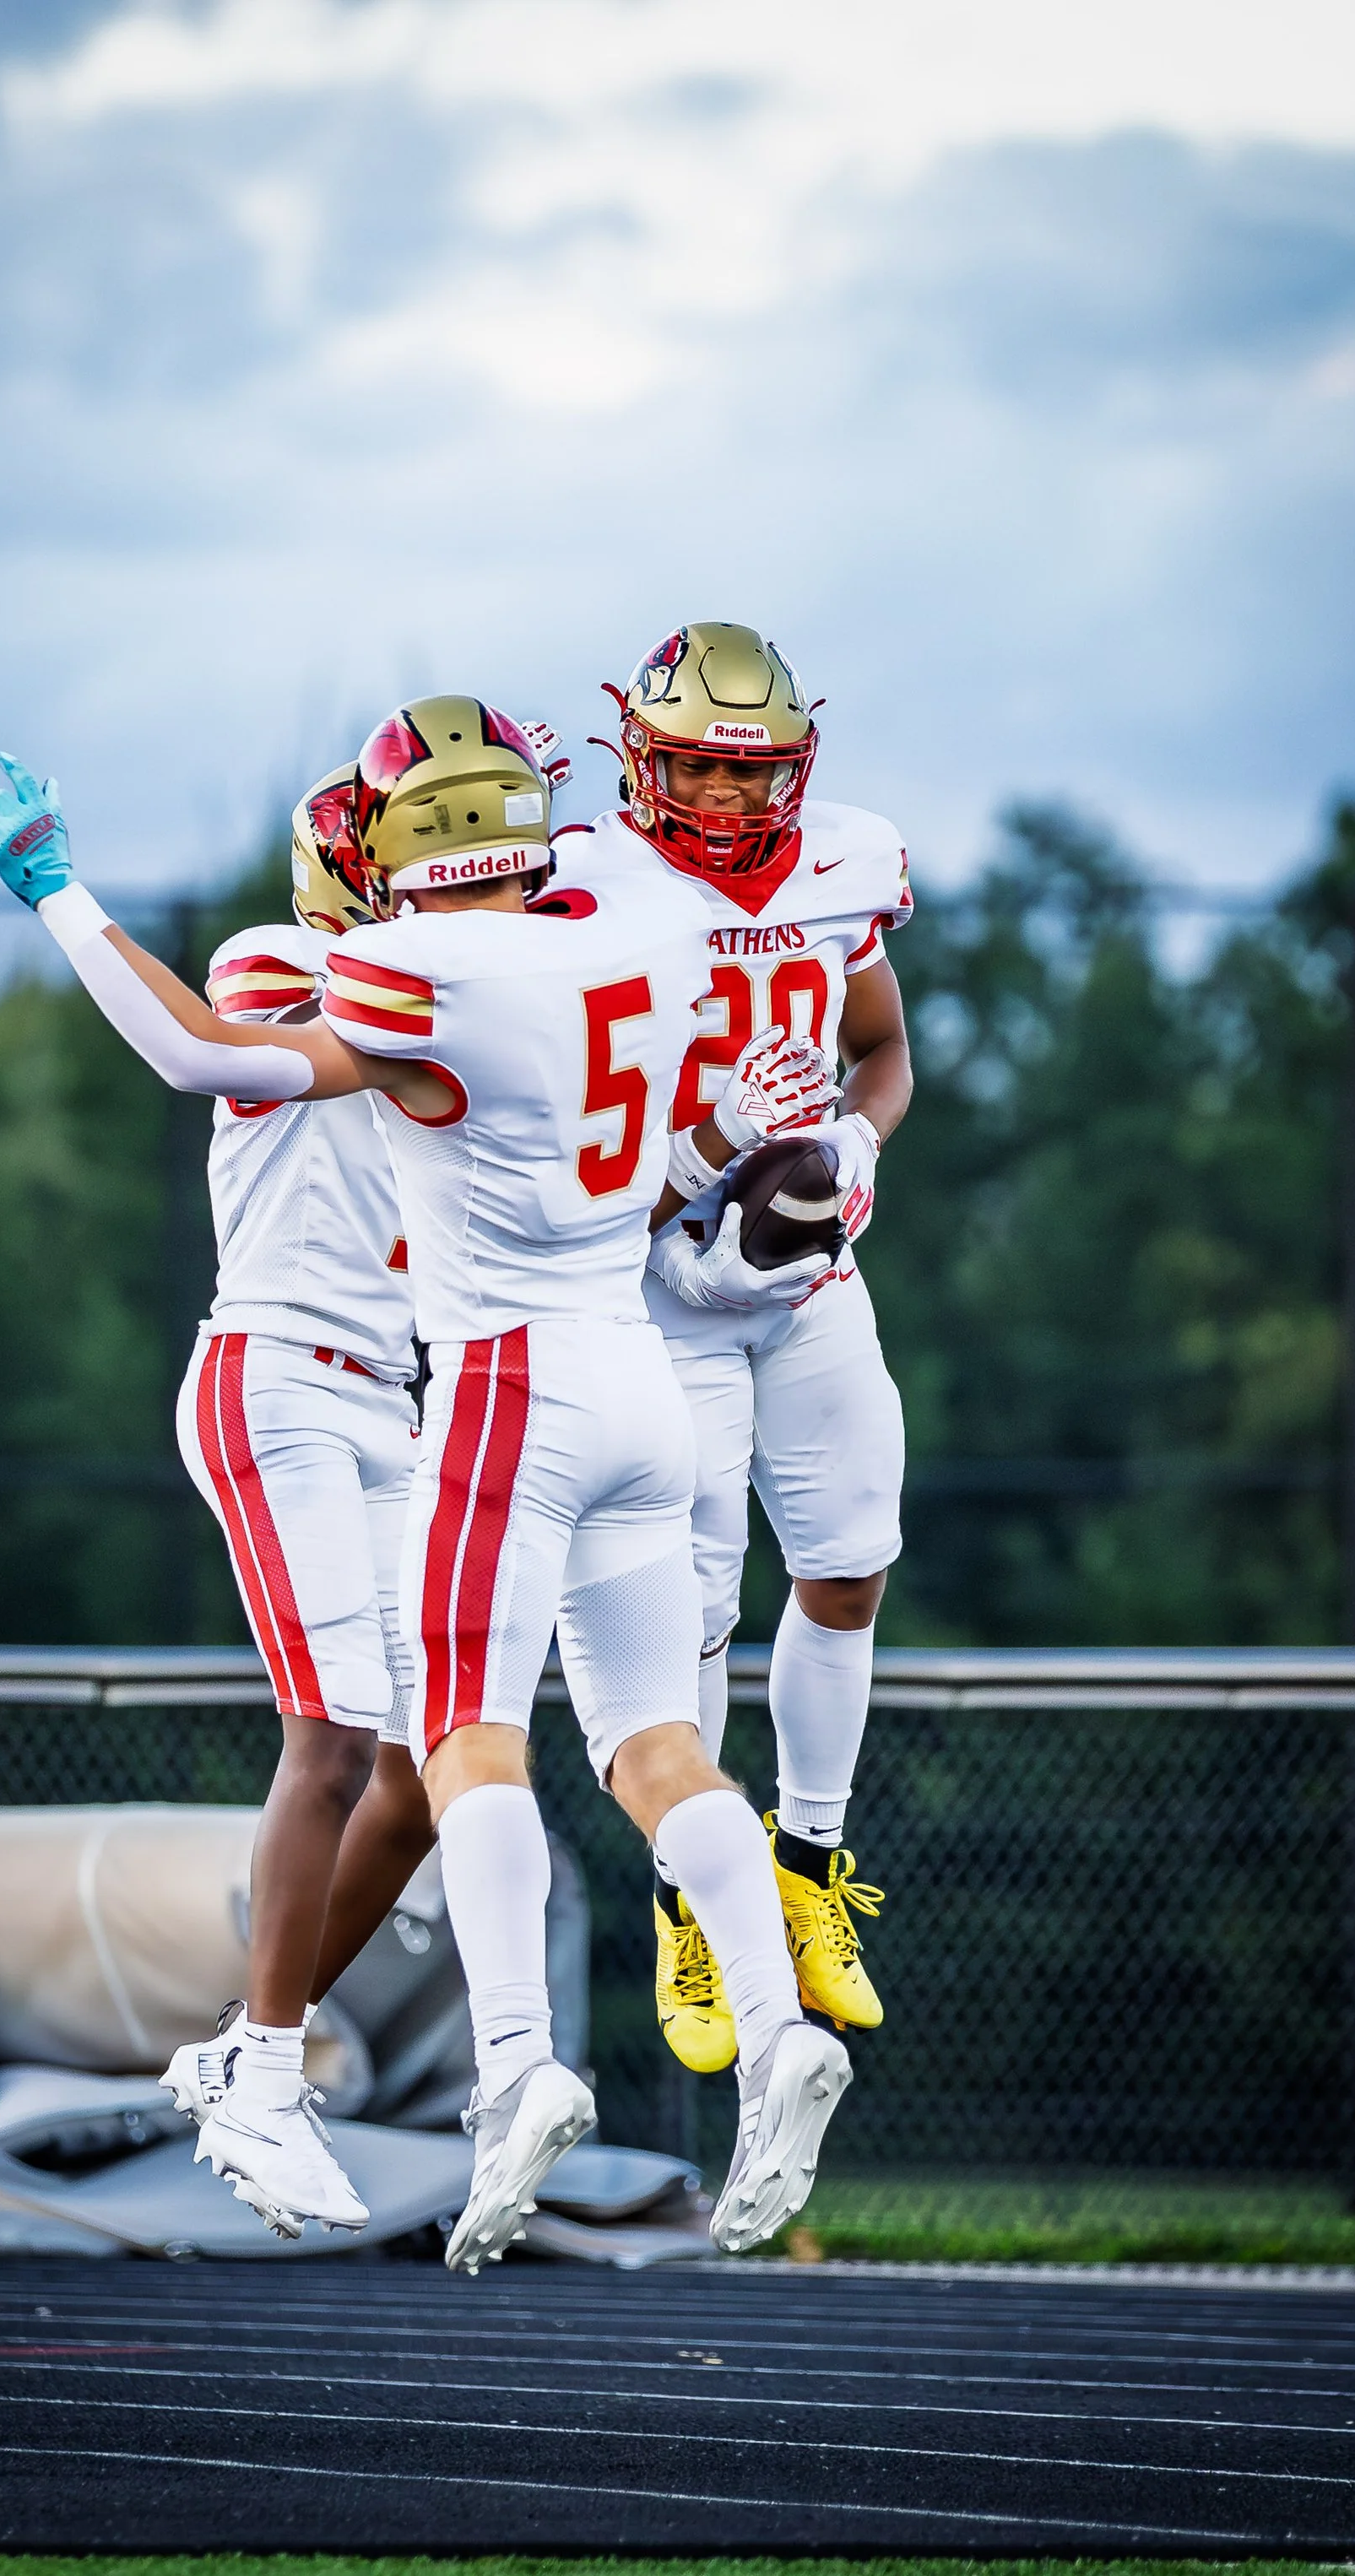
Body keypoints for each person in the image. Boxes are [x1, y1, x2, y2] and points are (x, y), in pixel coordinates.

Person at [0, 700, 851, 2272]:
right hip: (351, 1378)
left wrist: (60, 890)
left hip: (479, 1392)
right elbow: (632, 1113)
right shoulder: (603, 952)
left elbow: (213, 1044)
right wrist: (750, 1132)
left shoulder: (429, 970)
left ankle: (425, 2060)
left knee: (432, 1754)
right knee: (413, 1741)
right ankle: (268, 2067)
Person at [0, 758, 435, 2240]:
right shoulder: (290, 962)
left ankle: (252, 2043)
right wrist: (62, 894)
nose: (493, 877)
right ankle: (273, 2077)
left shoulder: (487, 995)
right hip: (279, 1375)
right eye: (462, 846)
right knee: (338, 1732)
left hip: (395, 1399)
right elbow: (200, 1053)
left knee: (434, 1775)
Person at [553, 622, 913, 2067]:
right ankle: (690, 1903)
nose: (719, 800)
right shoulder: (584, 887)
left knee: (849, 1566)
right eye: (695, 768)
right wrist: (713, 1140)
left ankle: (807, 1866)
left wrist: (857, 1143)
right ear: (642, 757)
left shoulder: (846, 864)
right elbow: (559, 1124)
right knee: (690, 1613)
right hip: (657, 1286)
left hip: (809, 1275)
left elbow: (881, 1051)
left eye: (748, 771)